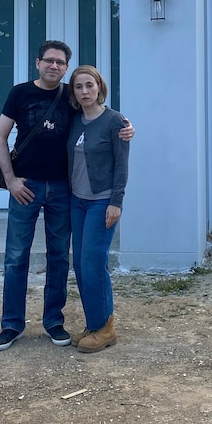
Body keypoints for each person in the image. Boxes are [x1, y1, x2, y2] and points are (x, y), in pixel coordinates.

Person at [0, 41, 132, 351]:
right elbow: (0, 136)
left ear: (66, 67)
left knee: (59, 258)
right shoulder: (20, 93)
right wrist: (11, 180)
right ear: (38, 63)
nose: (54, 66)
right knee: (16, 258)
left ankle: (53, 321)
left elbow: (100, 117)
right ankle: (11, 324)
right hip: (25, 187)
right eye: (49, 61)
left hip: (63, 190)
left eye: (60, 62)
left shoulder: (70, 96)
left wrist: (127, 128)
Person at [66, 65, 129, 353]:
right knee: (80, 263)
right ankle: (93, 324)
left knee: (94, 261)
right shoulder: (75, 120)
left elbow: (121, 165)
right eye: (79, 87)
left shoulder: (115, 121)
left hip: (102, 201)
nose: (84, 91)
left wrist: (116, 202)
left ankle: (106, 328)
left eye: (89, 85)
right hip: (76, 201)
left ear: (99, 87)